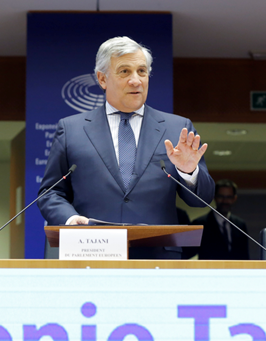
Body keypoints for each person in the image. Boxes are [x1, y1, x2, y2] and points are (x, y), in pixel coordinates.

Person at [38, 36, 215, 259]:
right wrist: (71, 220)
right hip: (90, 253)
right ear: (102, 79)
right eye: (124, 71)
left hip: (158, 258)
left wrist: (189, 173)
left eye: (142, 71)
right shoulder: (71, 129)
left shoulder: (177, 128)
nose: (136, 80)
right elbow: (50, 192)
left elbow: (201, 200)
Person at [190, 179, 249, 260]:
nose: (225, 201)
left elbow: (244, 256)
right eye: (221, 196)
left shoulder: (240, 225)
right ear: (214, 197)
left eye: (229, 197)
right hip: (209, 271)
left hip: (235, 271)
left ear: (234, 198)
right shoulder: (199, 224)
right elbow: (188, 253)